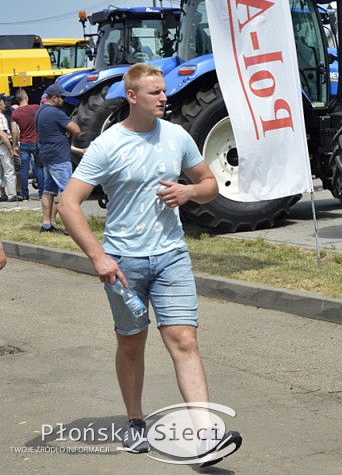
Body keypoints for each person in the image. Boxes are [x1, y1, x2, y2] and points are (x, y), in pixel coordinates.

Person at [58, 63, 241, 466]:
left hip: (172, 255)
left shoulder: (176, 136)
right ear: (132, 97)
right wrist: (99, 257)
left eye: (163, 91)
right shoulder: (109, 145)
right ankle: (136, 421)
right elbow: (67, 204)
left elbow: (210, 184)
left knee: (185, 341)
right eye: (155, 92)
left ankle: (206, 435)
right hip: (123, 262)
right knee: (131, 342)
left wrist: (190, 190)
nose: (164, 97)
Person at [34, 84, 79, 232]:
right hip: (59, 156)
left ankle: (46, 224)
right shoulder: (56, 113)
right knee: (68, 192)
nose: (64, 100)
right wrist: (69, 130)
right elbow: (77, 129)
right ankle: (70, 227)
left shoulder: (40, 111)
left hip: (46, 154)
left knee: (48, 191)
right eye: (62, 97)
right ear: (54, 98)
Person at [11, 89, 40, 201]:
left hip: (24, 144)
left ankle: (25, 194)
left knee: (24, 169)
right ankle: (42, 193)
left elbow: (14, 131)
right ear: (26, 97)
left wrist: (14, 146)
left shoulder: (15, 113)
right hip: (36, 141)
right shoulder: (35, 108)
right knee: (38, 167)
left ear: (17, 99)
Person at [0, 95, 20, 202]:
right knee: (9, 170)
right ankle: (12, 194)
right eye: (3, 103)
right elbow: (2, 134)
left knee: (0, 172)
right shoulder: (1, 117)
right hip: (2, 146)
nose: (4, 105)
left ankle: (2, 193)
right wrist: (11, 148)